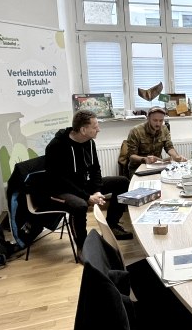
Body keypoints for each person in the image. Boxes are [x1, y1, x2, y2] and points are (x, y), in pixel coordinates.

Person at [45, 110, 133, 257]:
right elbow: (60, 180)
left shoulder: (89, 142)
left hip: (82, 185)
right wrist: (87, 196)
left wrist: (97, 190)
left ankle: (112, 225)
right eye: (95, 126)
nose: (98, 129)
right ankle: (82, 246)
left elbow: (95, 169)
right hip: (60, 189)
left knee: (122, 182)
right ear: (83, 130)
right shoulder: (57, 146)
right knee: (80, 205)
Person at [125, 106, 187, 177]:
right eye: (155, 120)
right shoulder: (136, 131)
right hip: (138, 167)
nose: (158, 124)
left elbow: (169, 147)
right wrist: (144, 159)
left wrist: (176, 156)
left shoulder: (164, 129)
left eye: (161, 120)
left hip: (157, 166)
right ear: (148, 119)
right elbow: (131, 156)